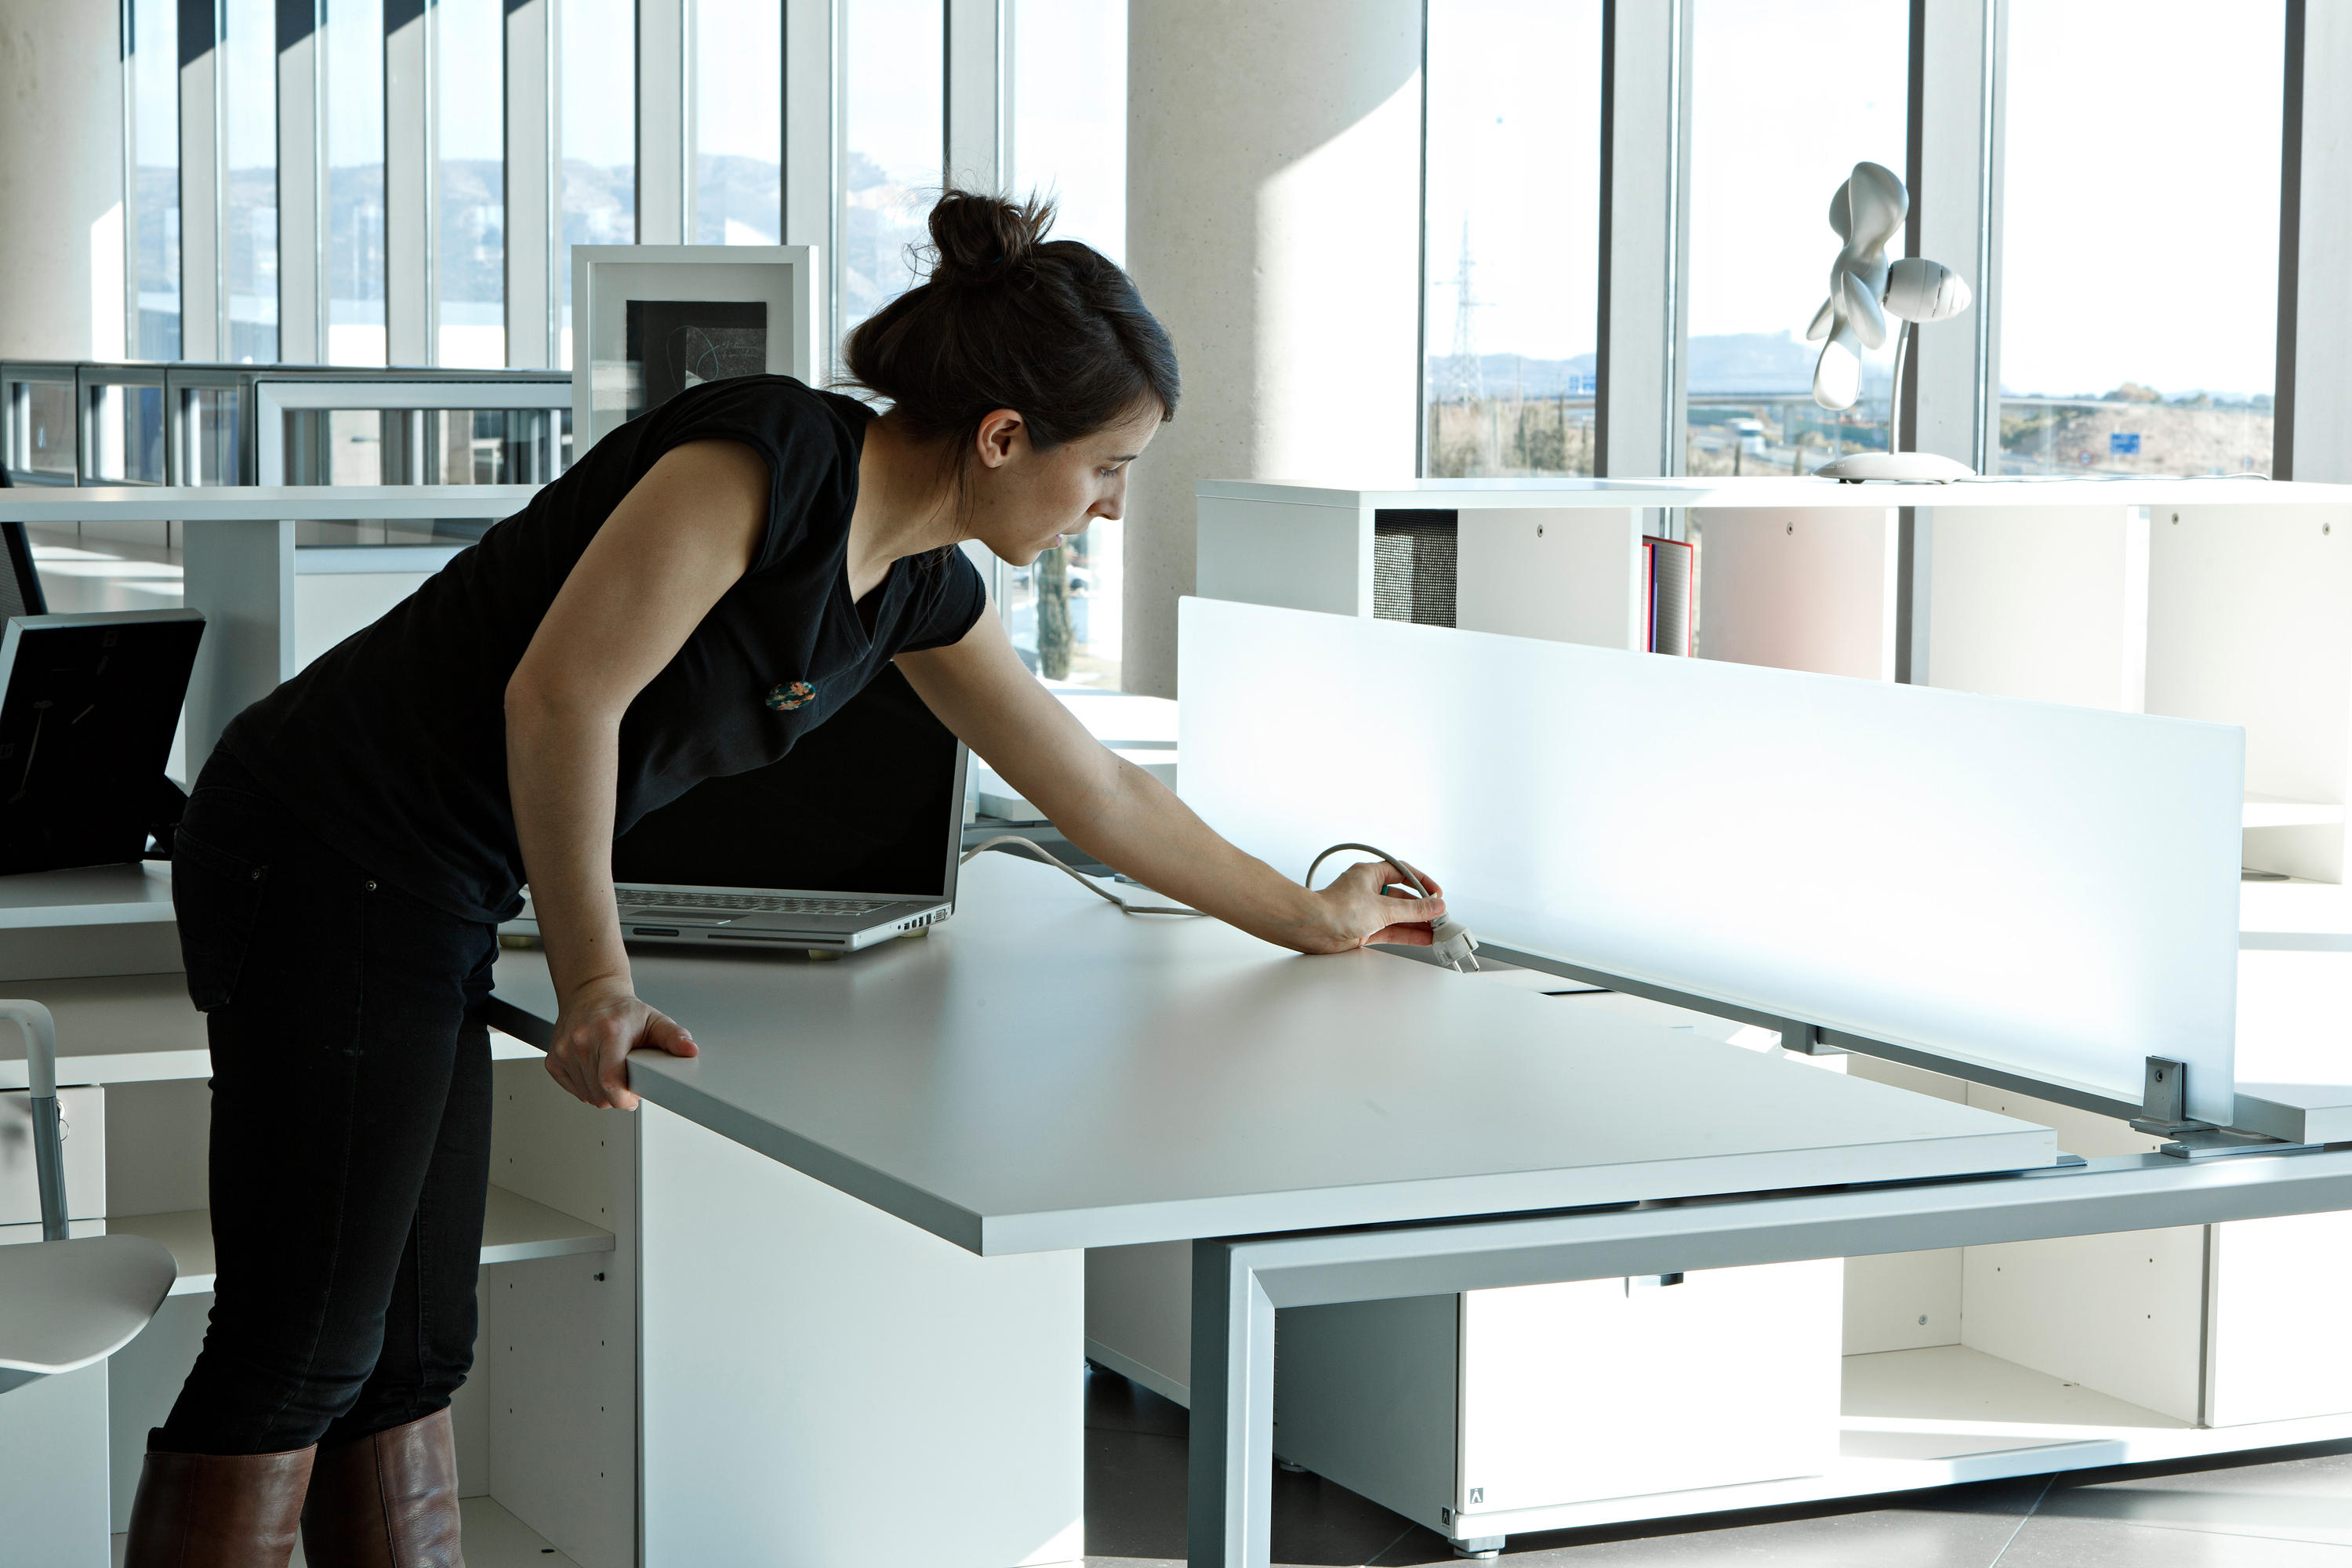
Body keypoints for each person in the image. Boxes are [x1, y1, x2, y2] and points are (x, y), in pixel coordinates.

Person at [125, 191, 1450, 1566]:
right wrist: (596, 981)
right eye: (1107, 468)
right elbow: (564, 698)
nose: (1112, 506)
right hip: (324, 847)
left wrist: (1313, 916)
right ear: (1004, 437)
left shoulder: (919, 589)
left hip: (441, 883)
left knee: (412, 1355)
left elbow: (1097, 790)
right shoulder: (760, 462)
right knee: (301, 1350)